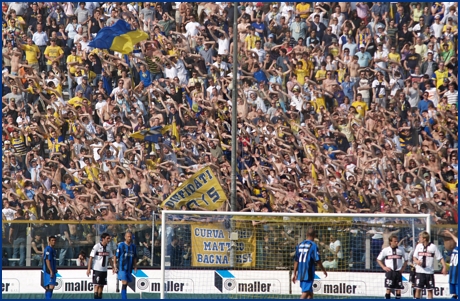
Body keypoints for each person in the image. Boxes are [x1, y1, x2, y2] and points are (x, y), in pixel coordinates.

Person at [292, 228, 328, 299]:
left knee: (309, 294)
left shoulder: (299, 245)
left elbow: (296, 260)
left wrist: (295, 273)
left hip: (301, 272)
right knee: (305, 293)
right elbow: (318, 260)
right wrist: (323, 270)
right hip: (308, 272)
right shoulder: (313, 245)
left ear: (306, 235)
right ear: (315, 235)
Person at [413, 231, 448, 299]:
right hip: (420, 272)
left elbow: (440, 257)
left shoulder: (433, 247)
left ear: (424, 239)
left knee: (430, 290)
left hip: (429, 272)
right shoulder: (418, 246)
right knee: (418, 289)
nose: (419, 238)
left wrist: (444, 267)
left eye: (420, 237)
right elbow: (414, 257)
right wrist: (417, 261)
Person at [87, 233, 117, 299]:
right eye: (107, 238)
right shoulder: (97, 246)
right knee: (97, 285)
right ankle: (95, 298)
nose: (109, 240)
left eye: (109, 238)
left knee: (102, 285)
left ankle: (100, 298)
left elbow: (110, 258)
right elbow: (91, 257)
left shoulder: (108, 248)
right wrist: (89, 269)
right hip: (97, 269)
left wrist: (113, 267)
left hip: (104, 269)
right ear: (103, 239)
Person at [377, 234, 407, 299]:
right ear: (390, 242)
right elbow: (378, 259)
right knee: (388, 289)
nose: (396, 243)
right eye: (395, 241)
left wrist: (403, 268)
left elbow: (406, 260)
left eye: (397, 241)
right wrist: (383, 267)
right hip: (390, 272)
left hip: (398, 272)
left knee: (398, 290)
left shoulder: (401, 249)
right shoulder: (386, 250)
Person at [114, 231, 137, 300]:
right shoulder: (121, 245)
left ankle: (123, 296)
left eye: (130, 237)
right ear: (125, 237)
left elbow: (135, 257)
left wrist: (135, 265)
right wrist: (115, 266)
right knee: (125, 282)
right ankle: (124, 298)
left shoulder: (133, 246)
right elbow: (115, 256)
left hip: (129, 268)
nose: (129, 238)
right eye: (128, 237)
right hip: (122, 267)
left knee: (126, 284)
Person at [444, 230, 458, 299]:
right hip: (453, 272)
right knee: (454, 293)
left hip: (458, 273)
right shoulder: (454, 248)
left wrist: (450, 233)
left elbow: (456, 240)